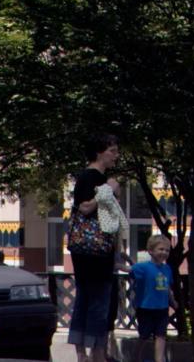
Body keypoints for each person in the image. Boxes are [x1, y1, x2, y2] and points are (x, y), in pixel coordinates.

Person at [66, 135, 124, 362]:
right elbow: (84, 207)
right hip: (92, 250)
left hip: (99, 250)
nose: (115, 156)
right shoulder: (90, 177)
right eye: (112, 150)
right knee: (97, 300)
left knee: (89, 298)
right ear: (100, 152)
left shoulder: (100, 178)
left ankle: (88, 351)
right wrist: (107, 191)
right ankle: (92, 352)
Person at [131, 233, 175, 362]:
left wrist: (172, 301)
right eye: (161, 249)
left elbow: (167, 287)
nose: (164, 252)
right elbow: (128, 269)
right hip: (145, 307)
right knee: (144, 336)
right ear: (150, 251)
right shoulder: (143, 267)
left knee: (161, 335)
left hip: (162, 308)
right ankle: (136, 358)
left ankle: (159, 360)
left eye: (167, 250)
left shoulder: (167, 269)